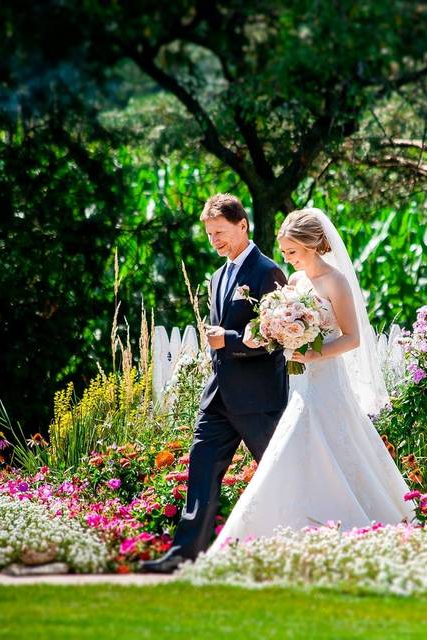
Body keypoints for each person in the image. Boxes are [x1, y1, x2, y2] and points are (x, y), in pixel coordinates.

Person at [207, 208, 413, 551]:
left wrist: (316, 353)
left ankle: (346, 521)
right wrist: (269, 333)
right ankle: (288, 527)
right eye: (285, 253)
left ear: (315, 245)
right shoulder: (294, 282)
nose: (288, 260)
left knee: (331, 446)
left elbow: (352, 338)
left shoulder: (335, 282)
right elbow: (270, 330)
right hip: (298, 383)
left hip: (327, 380)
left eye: (293, 252)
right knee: (295, 452)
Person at [141, 193, 288, 573]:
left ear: (242, 225)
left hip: (258, 399)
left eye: (219, 232)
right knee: (201, 470)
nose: (214, 241)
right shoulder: (218, 276)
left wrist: (231, 340)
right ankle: (185, 554)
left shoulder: (268, 272)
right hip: (219, 397)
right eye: (209, 234)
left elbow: (278, 338)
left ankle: (297, 545)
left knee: (278, 474)